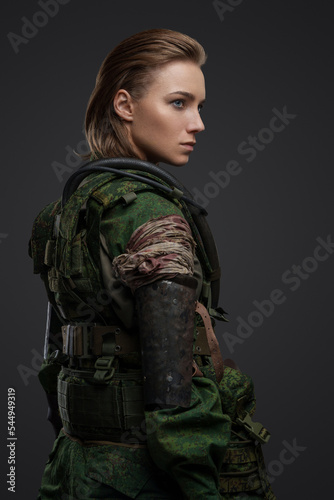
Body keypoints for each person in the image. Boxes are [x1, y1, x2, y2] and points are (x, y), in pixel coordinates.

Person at [29, 29, 276, 499]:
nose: (198, 123)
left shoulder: (62, 211)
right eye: (180, 103)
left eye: (200, 106)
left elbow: (54, 357)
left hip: (73, 467)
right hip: (147, 477)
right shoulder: (150, 211)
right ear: (124, 105)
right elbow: (173, 400)